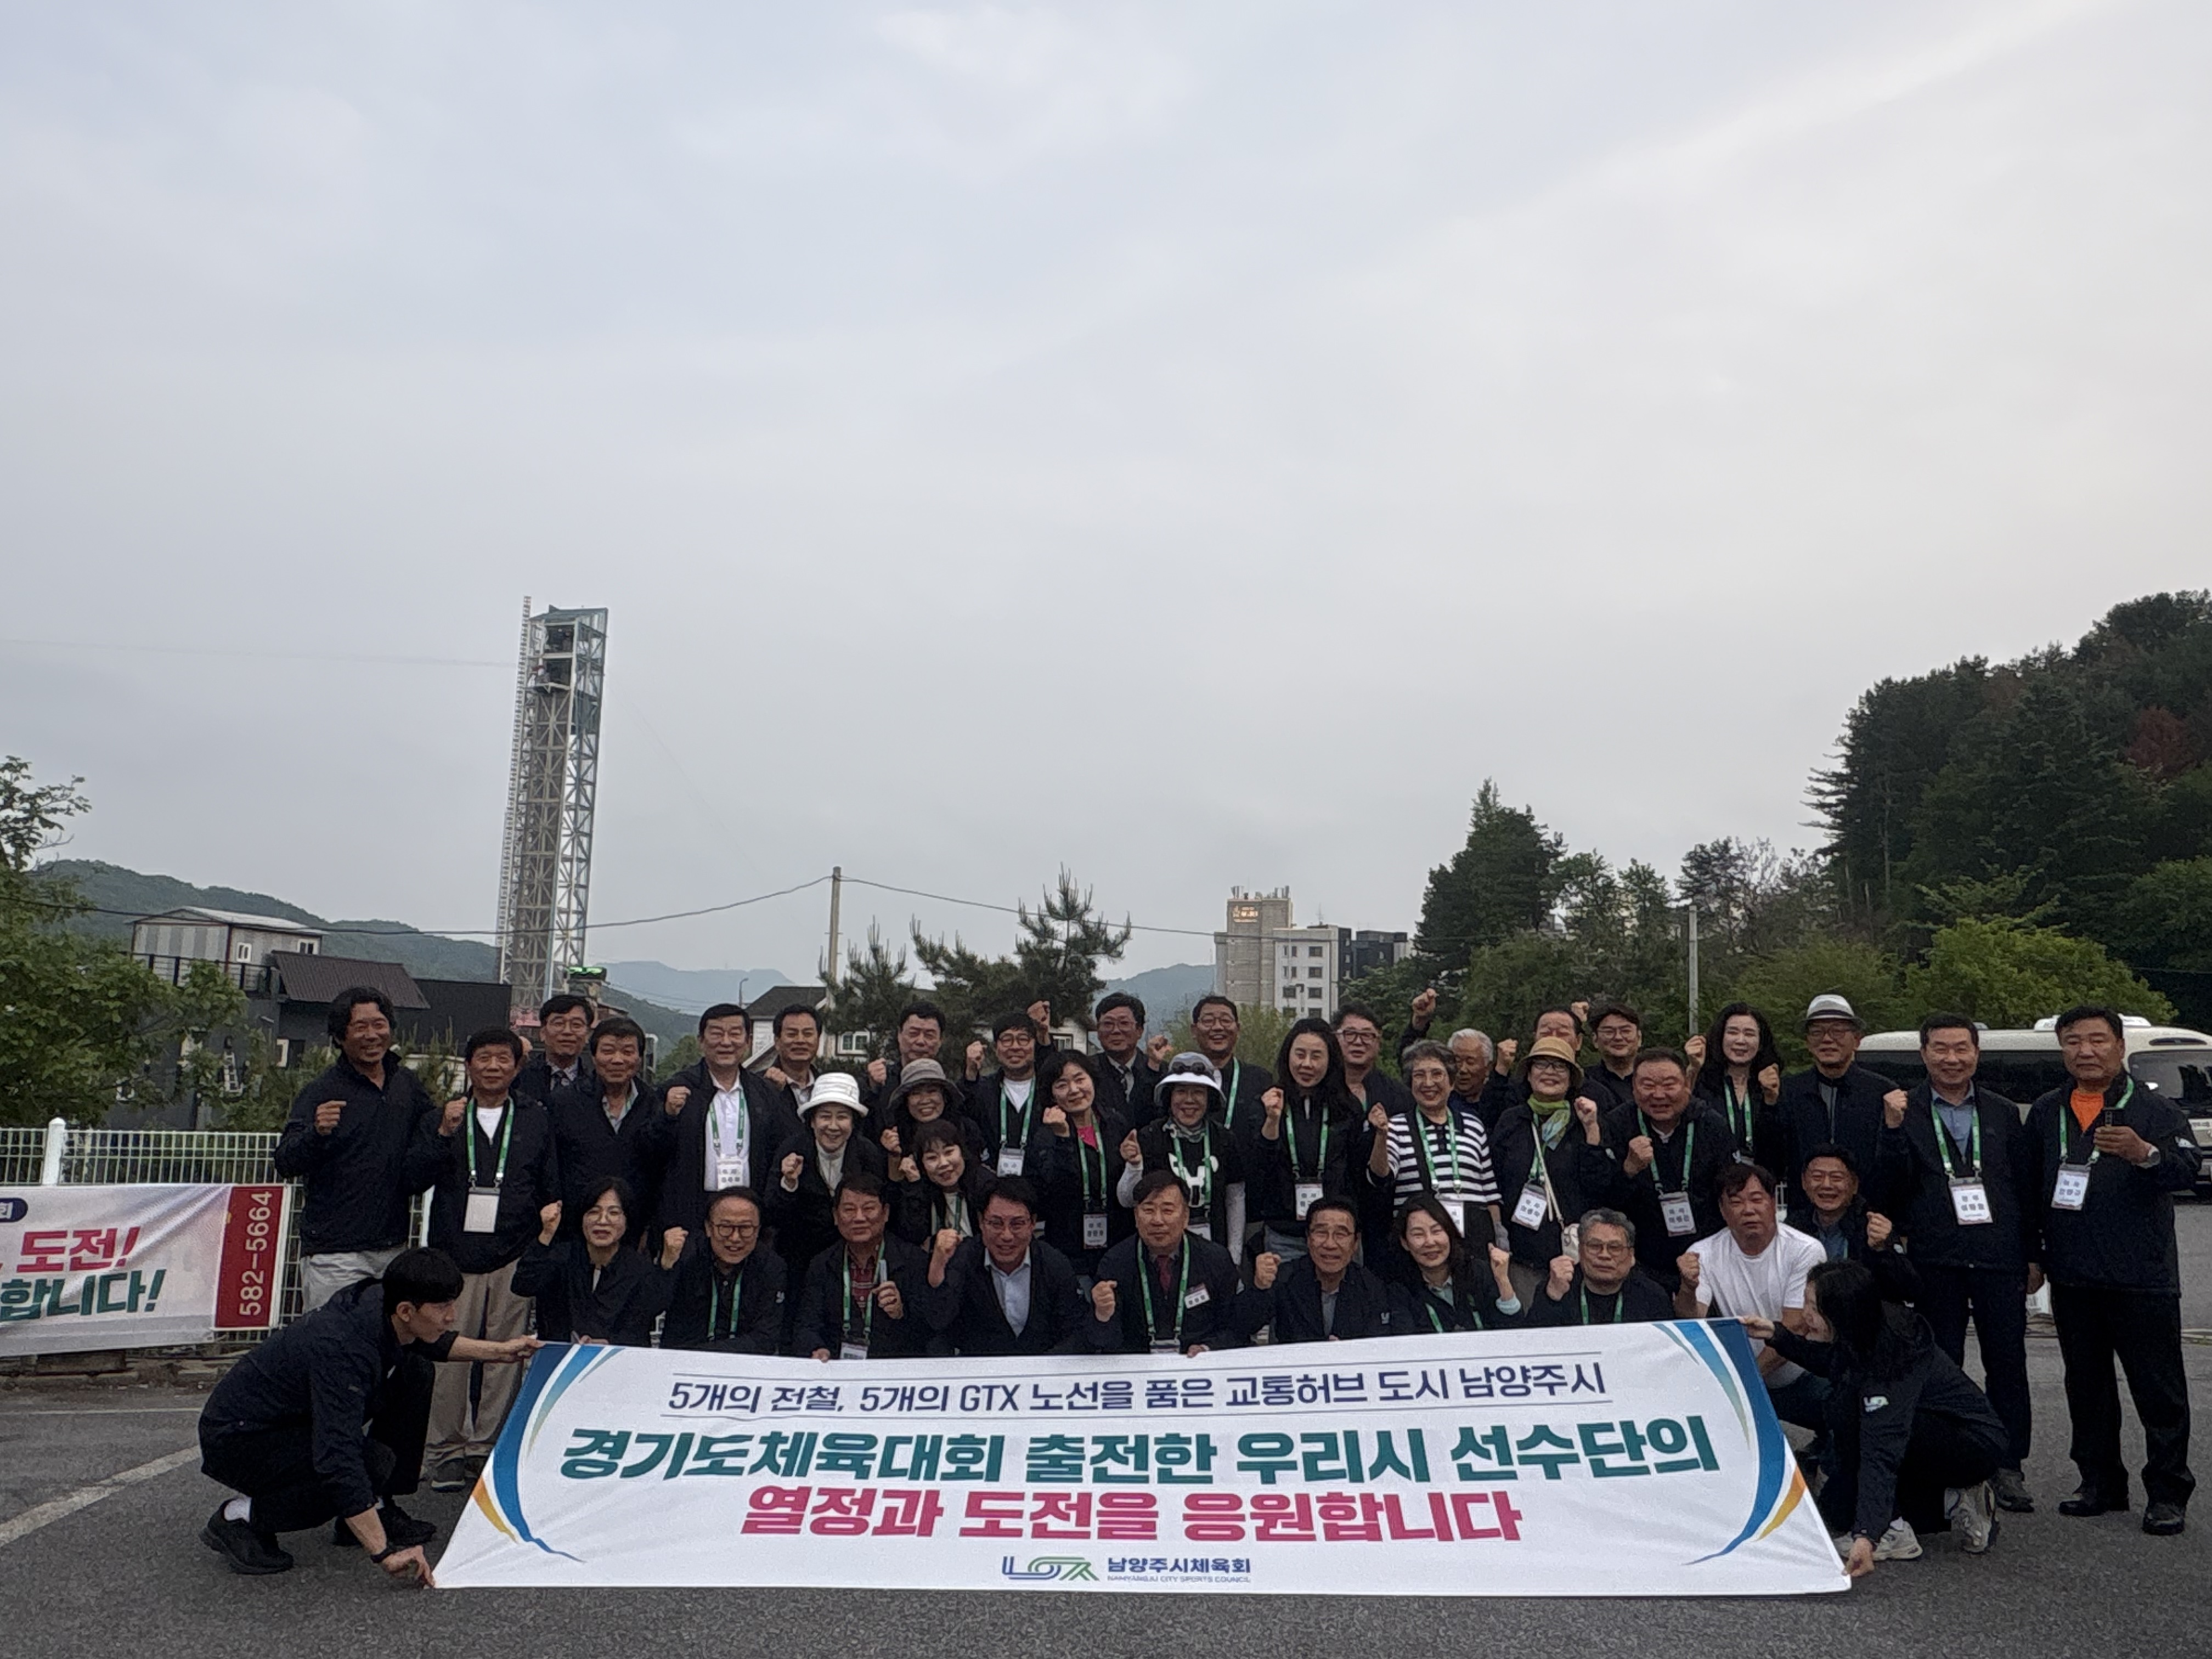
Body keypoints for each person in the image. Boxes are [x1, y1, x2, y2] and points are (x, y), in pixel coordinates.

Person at [197, 1248, 539, 1579]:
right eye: (443, 1307)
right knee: (367, 1464)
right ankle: (238, 1517)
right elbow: (337, 1455)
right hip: (239, 1441)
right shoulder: (343, 1351)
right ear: (406, 1310)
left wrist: (501, 1352)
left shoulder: (385, 1303)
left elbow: (431, 1341)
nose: (452, 1316)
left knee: (414, 1371)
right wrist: (384, 1553)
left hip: (287, 1420)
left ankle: (373, 1506)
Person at [2023, 1004, 2200, 1535]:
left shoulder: (2153, 1108)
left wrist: (2145, 1154)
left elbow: (2187, 1169)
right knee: (2087, 1387)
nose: (2086, 1051)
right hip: (2073, 1275)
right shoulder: (2047, 1110)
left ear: (2120, 1047)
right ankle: (2100, 1481)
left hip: (2142, 1276)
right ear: (2062, 1049)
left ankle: (2167, 1492)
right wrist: (2032, 1255)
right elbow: (2029, 1189)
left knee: (2159, 1391)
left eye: (2097, 1040)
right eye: (2074, 1041)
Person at [1748, 1260, 2009, 1575]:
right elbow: (1834, 1362)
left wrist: (1867, 1537)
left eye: (1814, 1308)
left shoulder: (1895, 1355)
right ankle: (1953, 1501)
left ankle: (1894, 1531)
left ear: (1841, 1311)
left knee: (1853, 1417)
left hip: (1970, 1443)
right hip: (1924, 1430)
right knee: (1837, 1510)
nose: (1805, 1316)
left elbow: (1881, 1451)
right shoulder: (1864, 1325)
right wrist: (1777, 1335)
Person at [1875, 1013, 2038, 1514]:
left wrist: (2033, 1254)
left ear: (1977, 1053)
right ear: (1924, 1054)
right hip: (1935, 1257)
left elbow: (2023, 1186)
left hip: (1998, 1256)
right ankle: (1947, 1460)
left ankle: (2008, 1463)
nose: (1952, 1059)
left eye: (1961, 1048)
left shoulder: (2002, 1112)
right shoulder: (1902, 1109)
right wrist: (1893, 1131)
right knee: (1941, 1363)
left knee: (2007, 1364)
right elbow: (1887, 1186)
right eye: (1940, 1049)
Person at [412, 1027, 558, 1493]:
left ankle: (487, 1448)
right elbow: (414, 1176)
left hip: (514, 1250)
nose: (493, 1066)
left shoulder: (536, 1118)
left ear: (517, 1067)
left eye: (503, 1058)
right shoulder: (447, 1116)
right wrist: (443, 1133)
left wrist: (542, 1237)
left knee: (505, 1356)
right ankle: (444, 1450)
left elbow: (548, 1181)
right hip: (454, 1256)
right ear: (469, 1065)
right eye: (484, 1058)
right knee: (450, 1355)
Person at [274, 988, 442, 1310]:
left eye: (379, 1025)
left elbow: (430, 1132)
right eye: (360, 1027)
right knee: (334, 1337)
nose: (372, 1035)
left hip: (393, 1247)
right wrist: (316, 1133)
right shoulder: (322, 1091)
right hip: (334, 1253)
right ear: (340, 1037)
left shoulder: (405, 1084)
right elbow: (285, 1161)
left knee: (386, 1337)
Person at [1675, 1163, 1830, 1432]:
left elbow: (1796, 1325)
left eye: (1757, 1199)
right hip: (1743, 1381)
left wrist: (1747, 1380)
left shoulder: (1805, 1249)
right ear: (1722, 1211)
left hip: (1802, 1375)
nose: (1748, 1210)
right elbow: (1692, 1319)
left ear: (1773, 1203)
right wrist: (1688, 1287)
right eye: (1736, 1203)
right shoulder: (1704, 1252)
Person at [1576, 1047, 1737, 1295]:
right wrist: (1629, 1170)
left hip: (1704, 1255)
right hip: (1640, 1260)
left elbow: (1730, 1191)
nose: (1659, 1095)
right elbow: (1601, 1199)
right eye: (1648, 1085)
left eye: (1669, 1085)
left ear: (1687, 1085)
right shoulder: (1618, 1124)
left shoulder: (1711, 1125)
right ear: (1634, 1088)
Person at [648, 1001, 804, 1246]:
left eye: (735, 1034)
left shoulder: (765, 1093)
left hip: (750, 1211)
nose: (726, 1042)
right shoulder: (677, 1089)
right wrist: (668, 1115)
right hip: (692, 1213)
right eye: (717, 1033)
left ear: (748, 1041)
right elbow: (651, 1151)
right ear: (701, 1041)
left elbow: (784, 1148)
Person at [1087, 1170, 1271, 1354]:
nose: (1158, 1221)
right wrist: (1102, 1316)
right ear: (1136, 1216)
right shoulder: (1115, 1263)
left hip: (1198, 1364)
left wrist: (1208, 1348)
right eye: (1149, 1210)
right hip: (1139, 1365)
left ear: (1185, 1217)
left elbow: (1236, 1327)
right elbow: (1102, 1342)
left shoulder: (1215, 1258)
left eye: (1167, 1210)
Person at [916, 1179, 1091, 1355]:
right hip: (979, 1368)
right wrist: (937, 1267)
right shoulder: (963, 1258)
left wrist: (1042, 1368)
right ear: (981, 1222)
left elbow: (1076, 1332)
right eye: (996, 1223)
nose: (1006, 1236)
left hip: (1042, 1367)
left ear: (1032, 1224)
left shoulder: (1054, 1264)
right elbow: (937, 1322)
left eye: (1017, 1224)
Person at [1489, 1034, 1601, 1302]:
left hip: (1574, 1256)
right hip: (1522, 1257)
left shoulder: (1583, 1120)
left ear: (1571, 1078)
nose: (1550, 1072)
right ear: (1528, 1075)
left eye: (1560, 1066)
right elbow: (1495, 1180)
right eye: (1541, 1064)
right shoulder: (1511, 1120)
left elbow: (1599, 1184)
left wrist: (1592, 1130)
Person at [1771, 994, 1905, 1217]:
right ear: (1807, 1042)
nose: (1827, 1039)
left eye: (1838, 1031)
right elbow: (1774, 1160)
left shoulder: (1883, 1092)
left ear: (1857, 1040)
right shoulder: (1788, 1091)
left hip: (1868, 1218)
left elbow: (1897, 1167)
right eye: (1817, 1032)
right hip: (1805, 1218)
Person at [1367, 1038, 1502, 1257]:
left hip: (1474, 1238)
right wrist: (1382, 1136)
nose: (1428, 1083)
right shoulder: (1396, 1126)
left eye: (1437, 1074)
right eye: (1419, 1075)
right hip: (1421, 1239)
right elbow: (1380, 1177)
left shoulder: (1473, 1125)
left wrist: (1499, 1236)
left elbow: (1489, 1190)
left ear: (1451, 1082)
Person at [511, 1178, 681, 1346]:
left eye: (614, 1213)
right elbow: (523, 1285)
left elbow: (645, 1316)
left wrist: (667, 1264)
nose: (602, 1221)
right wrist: (546, 1234)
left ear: (627, 1220)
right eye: (594, 1212)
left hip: (616, 1359)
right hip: (560, 1357)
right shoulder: (562, 1257)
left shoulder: (638, 1268)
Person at [1245, 1017, 1362, 1260]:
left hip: (1336, 1233)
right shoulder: (1268, 1102)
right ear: (1287, 1056)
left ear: (1330, 1060)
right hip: (1284, 1234)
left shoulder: (1347, 1107)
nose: (1307, 1064)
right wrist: (1272, 1120)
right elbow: (1259, 1168)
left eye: (1316, 1056)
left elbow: (1356, 1172)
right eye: (1300, 1055)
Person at [543, 1014, 661, 1248]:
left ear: (640, 1058)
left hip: (633, 1229)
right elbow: (551, 1167)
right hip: (574, 1229)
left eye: (627, 1052)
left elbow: (659, 1171)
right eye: (608, 1051)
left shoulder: (654, 1104)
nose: (617, 1060)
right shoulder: (564, 1102)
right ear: (594, 1056)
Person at [766, 1072, 889, 1290]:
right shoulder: (792, 1149)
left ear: (853, 1122)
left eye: (842, 1117)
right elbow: (774, 1213)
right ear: (812, 1121)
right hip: (800, 1255)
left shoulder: (867, 1153)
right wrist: (788, 1184)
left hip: (853, 1252)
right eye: (825, 1117)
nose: (833, 1126)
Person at [1122, 1053, 1247, 1256]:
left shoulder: (1224, 1139)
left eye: (1198, 1092)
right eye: (1181, 1091)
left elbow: (1235, 1198)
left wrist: (1234, 1253)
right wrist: (1134, 1166)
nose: (1189, 1100)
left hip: (1214, 1248)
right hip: (1161, 1249)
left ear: (1209, 1098)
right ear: (1169, 1096)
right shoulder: (1150, 1136)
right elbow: (1127, 1200)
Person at [791, 1173, 926, 1359]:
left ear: (886, 1213)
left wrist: (901, 1312)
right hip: (837, 1367)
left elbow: (930, 1330)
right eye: (849, 1210)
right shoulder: (822, 1264)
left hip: (894, 1368)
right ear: (836, 1216)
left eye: (869, 1209)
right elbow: (806, 1326)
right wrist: (816, 1349)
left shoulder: (913, 1260)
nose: (859, 1218)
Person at [1032, 1048, 1132, 1278]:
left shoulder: (1115, 1124)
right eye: (1062, 1085)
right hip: (1069, 1251)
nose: (1074, 1090)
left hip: (1118, 1244)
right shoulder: (1045, 1135)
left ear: (1093, 1080)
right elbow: (1055, 1193)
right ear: (1052, 1095)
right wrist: (1063, 1139)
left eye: (1080, 1079)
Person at [661, 1187, 786, 1354]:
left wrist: (709, 1354)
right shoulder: (686, 1256)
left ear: (758, 1230)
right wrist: (666, 1267)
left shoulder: (772, 1267)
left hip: (745, 1362)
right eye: (725, 1227)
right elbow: (650, 1310)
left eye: (746, 1228)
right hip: (684, 1360)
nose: (735, 1238)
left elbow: (766, 1338)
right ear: (708, 1228)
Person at [1260, 1198, 1403, 1342]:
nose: (1330, 1244)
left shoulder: (1372, 1288)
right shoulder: (1285, 1278)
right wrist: (1259, 1287)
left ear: (1356, 1242)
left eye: (1341, 1234)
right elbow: (1247, 1325)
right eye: (1321, 1233)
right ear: (1308, 1238)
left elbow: (1378, 1344)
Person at [1794, 1143, 1921, 1303]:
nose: (1826, 1185)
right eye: (1817, 1177)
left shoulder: (1872, 1225)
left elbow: (1910, 1291)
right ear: (1804, 1183)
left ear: (1854, 1185)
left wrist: (1883, 1250)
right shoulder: (1794, 1226)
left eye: (1836, 1178)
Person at [1389, 1195, 1524, 1333]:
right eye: (1418, 1235)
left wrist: (1503, 1280)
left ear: (1450, 1233)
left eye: (1437, 1231)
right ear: (1405, 1243)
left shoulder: (1477, 1272)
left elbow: (1514, 1331)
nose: (1430, 1242)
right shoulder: (1399, 1291)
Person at [1528, 1209, 1675, 1325]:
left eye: (1615, 1248)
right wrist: (1552, 1297)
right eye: (1594, 1246)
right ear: (1580, 1250)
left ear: (1631, 1254)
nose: (1604, 1255)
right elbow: (1532, 1343)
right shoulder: (1559, 1286)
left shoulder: (1652, 1296)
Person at [1691, 1001, 1783, 1152]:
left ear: (1761, 1042)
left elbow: (1779, 1145)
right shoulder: (1702, 1082)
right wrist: (1693, 1069)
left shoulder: (1776, 1086)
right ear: (1720, 1037)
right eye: (1733, 1033)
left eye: (1749, 1034)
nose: (1741, 1041)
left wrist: (1770, 1101)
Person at [891, 1119, 996, 1248]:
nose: (943, 1163)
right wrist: (915, 1185)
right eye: (932, 1158)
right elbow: (913, 1236)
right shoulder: (921, 1187)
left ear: (962, 1153)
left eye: (949, 1152)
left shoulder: (985, 1185)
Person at [879, 1056, 986, 1177]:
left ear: (945, 1096)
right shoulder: (897, 1136)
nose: (925, 1100)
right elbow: (892, 1183)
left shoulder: (967, 1129)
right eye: (916, 1094)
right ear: (906, 1101)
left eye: (932, 1091)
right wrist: (894, 1156)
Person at [971, 1011, 1046, 1175]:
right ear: (995, 1048)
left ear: (1035, 1045)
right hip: (994, 1184)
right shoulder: (983, 1090)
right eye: (1007, 1040)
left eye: (1023, 1039)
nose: (1015, 1047)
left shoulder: (1049, 1090)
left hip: (1043, 1185)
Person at [861, 1000, 964, 1116]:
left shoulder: (951, 1083)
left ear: (941, 1040)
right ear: (899, 1035)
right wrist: (872, 1088)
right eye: (914, 1033)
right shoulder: (879, 1081)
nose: (921, 1041)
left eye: (929, 1035)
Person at [1193, 995, 1273, 1131]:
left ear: (1238, 1029)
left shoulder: (1260, 1079)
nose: (1218, 1027)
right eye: (1208, 1021)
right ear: (1194, 1030)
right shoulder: (1181, 1078)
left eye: (1226, 1020)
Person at [1093, 992, 1163, 1126]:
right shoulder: (1086, 1071)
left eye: (1124, 1023)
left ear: (1140, 1030)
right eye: (1108, 1024)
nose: (1116, 1031)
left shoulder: (1160, 1071)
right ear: (1098, 1031)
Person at [513, 993, 595, 1107]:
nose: (567, 1032)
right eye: (559, 1024)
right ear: (542, 1033)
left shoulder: (595, 1084)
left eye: (576, 1025)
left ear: (587, 1035)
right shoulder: (520, 1078)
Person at [1334, 1003, 1412, 1115]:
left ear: (1378, 1042)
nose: (1358, 1042)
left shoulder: (1398, 1095)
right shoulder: (1319, 1089)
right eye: (1350, 1034)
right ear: (1335, 1038)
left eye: (1366, 1035)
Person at [758, 1003, 826, 1111]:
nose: (800, 1041)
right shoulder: (758, 1086)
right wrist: (770, 1090)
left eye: (808, 1034)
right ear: (777, 1042)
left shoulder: (827, 1088)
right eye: (792, 1034)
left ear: (818, 1040)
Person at [1583, 1003, 1644, 1113]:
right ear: (1595, 1040)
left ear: (1639, 1038)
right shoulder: (1584, 1081)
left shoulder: (1653, 1081)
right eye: (1609, 1032)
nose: (1618, 1038)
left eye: (1626, 1031)